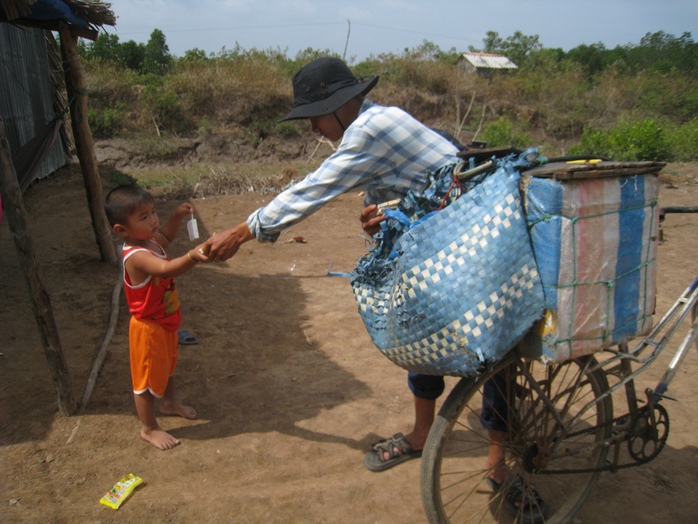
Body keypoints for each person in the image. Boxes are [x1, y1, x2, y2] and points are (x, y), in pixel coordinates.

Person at [202, 57, 537, 515]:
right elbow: (389, 199)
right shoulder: (373, 125)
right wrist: (376, 219)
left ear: (340, 105)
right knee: (422, 334)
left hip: (476, 247)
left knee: (494, 350)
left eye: (315, 117)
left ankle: (498, 465)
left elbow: (313, 189)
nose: (314, 129)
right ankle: (421, 434)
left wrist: (241, 232)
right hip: (440, 246)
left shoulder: (370, 128)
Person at [105, 185, 209, 450]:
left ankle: (169, 403)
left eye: (152, 212)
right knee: (145, 383)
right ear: (122, 230)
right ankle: (149, 429)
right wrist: (193, 257)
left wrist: (175, 217)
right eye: (143, 217)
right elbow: (165, 269)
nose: (153, 220)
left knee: (168, 368)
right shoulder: (137, 256)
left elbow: (165, 237)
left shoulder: (148, 241)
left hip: (166, 322)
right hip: (148, 329)